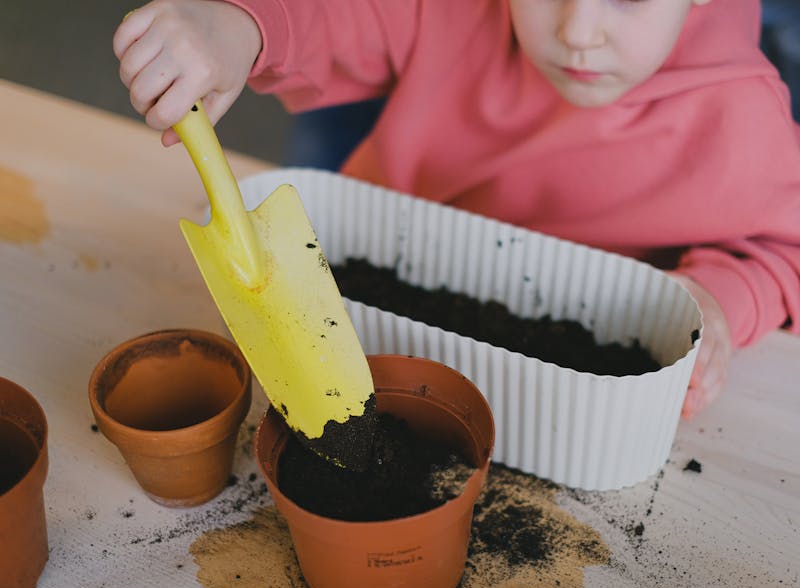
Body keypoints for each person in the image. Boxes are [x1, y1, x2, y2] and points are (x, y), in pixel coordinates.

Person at [113, 0, 800, 420]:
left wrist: (719, 297)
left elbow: (783, 250)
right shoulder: (458, 9)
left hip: (576, 394)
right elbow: (344, 14)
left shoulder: (745, 120)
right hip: (378, 348)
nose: (579, 29)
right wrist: (243, 26)